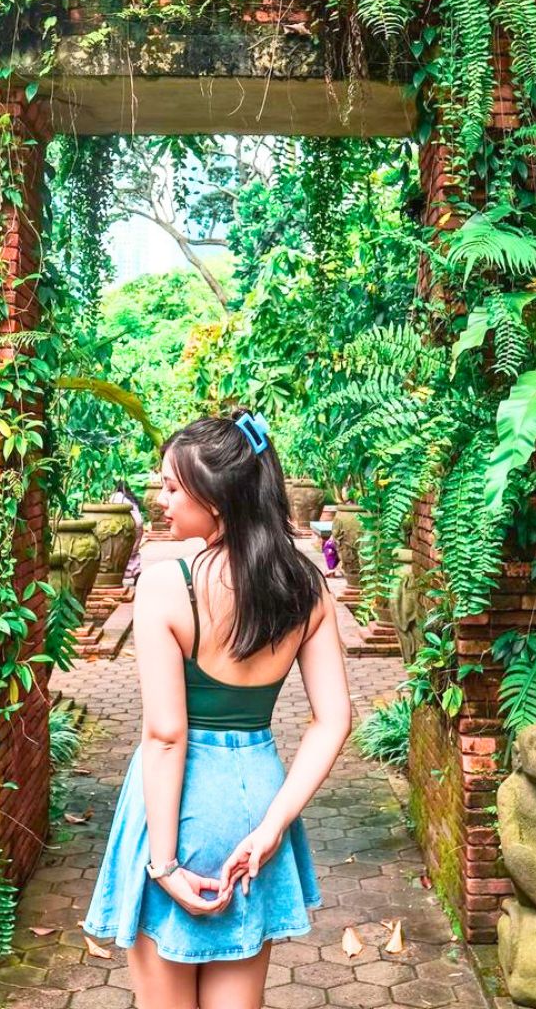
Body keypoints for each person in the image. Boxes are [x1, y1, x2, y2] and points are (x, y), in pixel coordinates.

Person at [82, 409, 352, 1009]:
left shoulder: (164, 585)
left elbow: (165, 736)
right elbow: (333, 720)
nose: (162, 499)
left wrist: (162, 864)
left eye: (174, 486)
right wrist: (271, 828)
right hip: (256, 802)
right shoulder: (304, 588)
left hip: (174, 812)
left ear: (219, 500)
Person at [110, 479, 146, 582]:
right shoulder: (130, 497)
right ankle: (135, 571)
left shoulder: (116, 496)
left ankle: (123, 572)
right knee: (134, 550)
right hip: (138, 523)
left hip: (129, 523)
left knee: (125, 550)